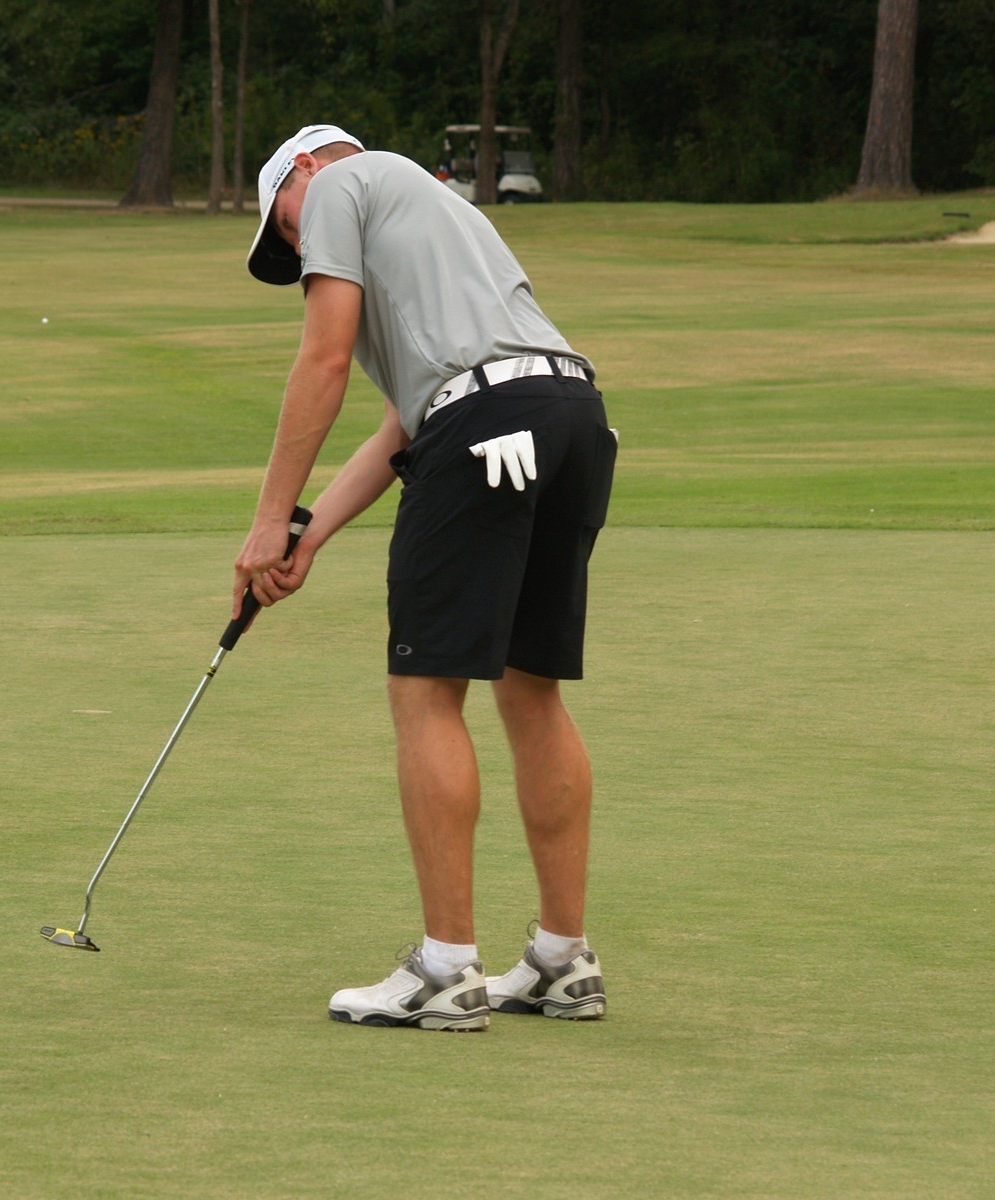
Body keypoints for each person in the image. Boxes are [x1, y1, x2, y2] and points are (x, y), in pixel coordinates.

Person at [235, 124, 617, 1031]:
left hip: (485, 421)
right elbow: (403, 428)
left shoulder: (337, 184)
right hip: (570, 413)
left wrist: (262, 521)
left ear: (301, 173)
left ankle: (447, 969)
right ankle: (563, 962)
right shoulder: (441, 210)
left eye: (282, 232)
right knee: (531, 692)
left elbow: (323, 361)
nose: (296, 250)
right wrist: (307, 534)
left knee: (426, 692)